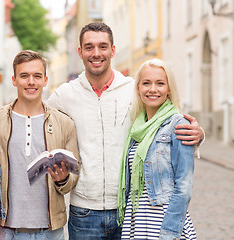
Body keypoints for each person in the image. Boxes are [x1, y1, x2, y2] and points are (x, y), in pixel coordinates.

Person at [46, 22, 203, 239]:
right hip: (84, 212)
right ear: (80, 52)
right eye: (89, 47)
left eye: (103, 46)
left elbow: (164, 122)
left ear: (113, 50)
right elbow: (38, 120)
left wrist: (198, 134)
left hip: (129, 210)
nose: (96, 53)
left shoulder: (134, 89)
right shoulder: (64, 95)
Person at [0, 50, 80, 239]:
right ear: (14, 80)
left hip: (50, 231)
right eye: (24, 76)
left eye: (37, 76)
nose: (31, 82)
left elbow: (73, 179)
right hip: (5, 230)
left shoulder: (64, 123)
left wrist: (63, 178)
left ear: (45, 80)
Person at [117, 58, 196, 239]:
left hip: (164, 224)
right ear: (138, 88)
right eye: (146, 83)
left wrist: (169, 231)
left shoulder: (179, 124)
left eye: (160, 83)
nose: (152, 89)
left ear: (169, 89)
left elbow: (184, 186)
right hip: (137, 222)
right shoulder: (136, 128)